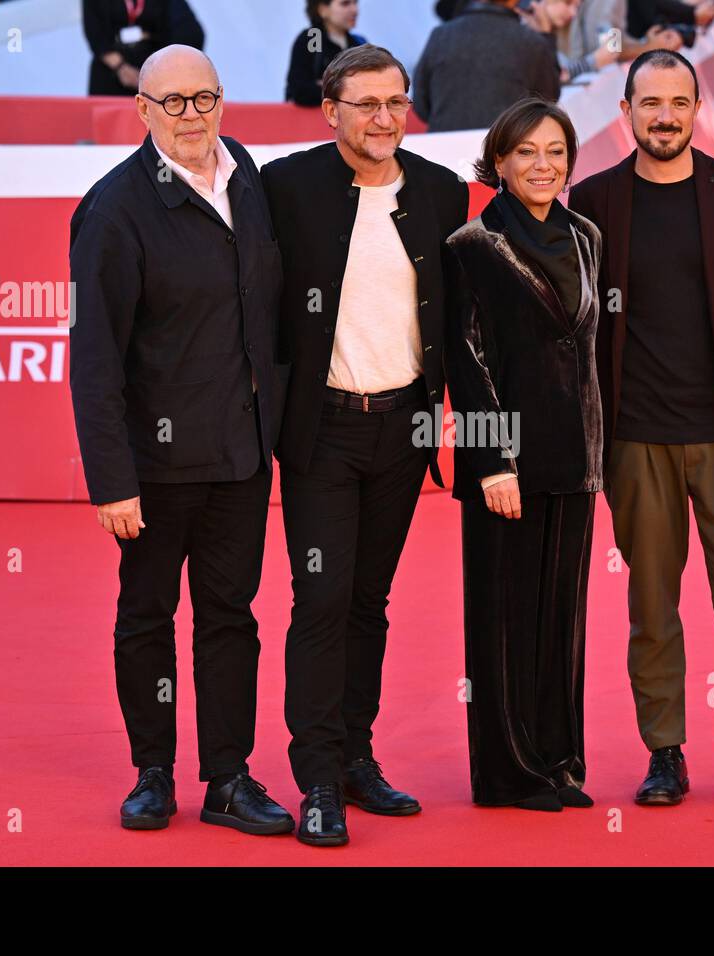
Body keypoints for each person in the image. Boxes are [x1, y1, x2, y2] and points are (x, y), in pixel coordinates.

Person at [68, 45, 295, 836]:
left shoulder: (250, 179)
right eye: (174, 102)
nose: (192, 114)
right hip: (156, 468)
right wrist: (111, 480)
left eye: (204, 98)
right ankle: (153, 772)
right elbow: (93, 358)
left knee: (232, 618)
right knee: (147, 617)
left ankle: (229, 777)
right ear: (143, 110)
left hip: (241, 455)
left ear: (223, 102)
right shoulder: (113, 210)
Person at [569, 50, 714, 809]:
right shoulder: (594, 201)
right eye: (649, 103)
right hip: (637, 439)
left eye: (678, 102)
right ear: (626, 110)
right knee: (651, 604)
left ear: (697, 108)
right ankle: (663, 750)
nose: (664, 116)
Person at [260, 45, 469, 847]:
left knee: (367, 604)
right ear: (332, 112)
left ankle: (355, 755)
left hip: (403, 431)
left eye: (396, 102)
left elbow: (463, 319)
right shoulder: (287, 189)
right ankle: (315, 779)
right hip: (322, 432)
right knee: (320, 601)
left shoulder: (442, 192)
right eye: (367, 104)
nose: (385, 118)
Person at [444, 97, 603, 812]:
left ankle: (559, 759)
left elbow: (591, 348)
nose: (544, 165)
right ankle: (508, 773)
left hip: (576, 457)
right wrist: (492, 462)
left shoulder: (587, 236)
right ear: (500, 163)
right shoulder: (472, 244)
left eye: (556, 152)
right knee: (504, 619)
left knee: (563, 617)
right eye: (528, 153)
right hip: (506, 465)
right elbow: (465, 358)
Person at [412, 0, 560, 133]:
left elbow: (421, 105)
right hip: (505, 150)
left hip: (443, 151)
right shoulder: (531, 42)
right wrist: (546, 36)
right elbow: (547, 102)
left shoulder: (440, 36)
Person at [82, 0, 205, 97]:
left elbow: (191, 33)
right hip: (110, 72)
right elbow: (94, 33)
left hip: (154, 74)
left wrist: (160, 70)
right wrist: (121, 67)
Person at [285, 0, 367, 107]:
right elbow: (300, 91)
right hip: (313, 121)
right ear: (322, 9)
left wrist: (328, 85)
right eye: (345, 3)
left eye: (355, 3)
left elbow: (368, 88)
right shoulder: (312, 39)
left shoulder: (359, 43)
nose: (354, 10)